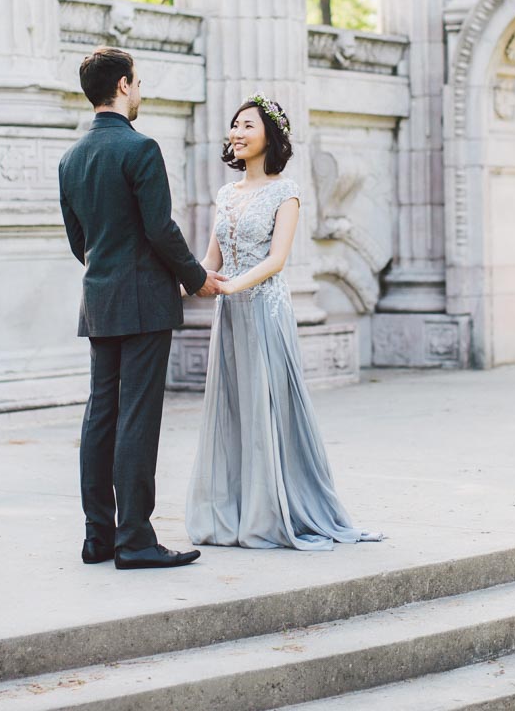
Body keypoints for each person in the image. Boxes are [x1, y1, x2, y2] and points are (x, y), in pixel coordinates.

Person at [185, 94, 383, 550]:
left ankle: (272, 511)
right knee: (233, 407)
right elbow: (209, 260)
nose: (236, 132)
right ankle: (232, 512)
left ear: (269, 137)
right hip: (230, 315)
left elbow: (277, 261)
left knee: (266, 406)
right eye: (234, 125)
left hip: (265, 311)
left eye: (247, 126)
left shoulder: (286, 191)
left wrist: (232, 286)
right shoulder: (225, 194)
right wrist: (181, 283)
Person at [58, 47, 227, 571]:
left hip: (99, 299)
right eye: (139, 83)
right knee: (137, 416)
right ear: (126, 85)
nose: (140, 91)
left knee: (100, 413)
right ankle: (134, 538)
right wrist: (197, 279)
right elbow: (160, 228)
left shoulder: (71, 158)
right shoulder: (140, 148)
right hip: (144, 302)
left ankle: (97, 537)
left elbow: (78, 241)